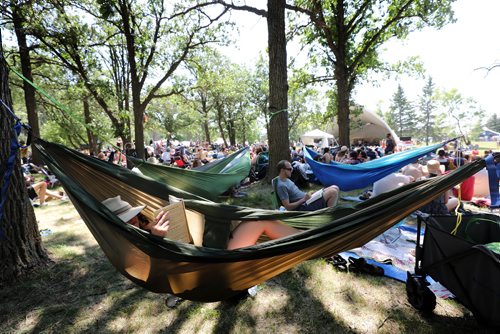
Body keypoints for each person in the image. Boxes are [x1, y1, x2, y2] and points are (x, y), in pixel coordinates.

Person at [101, 196, 300, 249]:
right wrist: (158, 240)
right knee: (260, 222)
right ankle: (307, 241)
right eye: (127, 219)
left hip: (209, 243)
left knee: (264, 218)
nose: (133, 219)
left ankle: (309, 238)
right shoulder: (136, 244)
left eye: (132, 215)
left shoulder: (147, 226)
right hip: (213, 259)